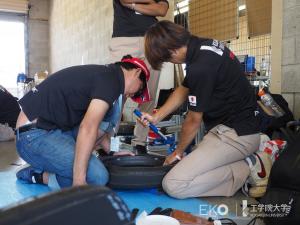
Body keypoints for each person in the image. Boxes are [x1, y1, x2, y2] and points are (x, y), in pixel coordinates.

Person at [141, 21, 272, 198]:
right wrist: (157, 116)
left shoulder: (200, 67)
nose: (171, 63)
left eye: (167, 60)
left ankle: (250, 166)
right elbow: (184, 88)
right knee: (192, 171)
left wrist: (177, 152)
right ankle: (247, 162)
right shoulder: (205, 46)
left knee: (173, 184)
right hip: (224, 131)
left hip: (238, 136)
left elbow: (193, 120)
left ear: (172, 51)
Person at [15, 56, 150, 189]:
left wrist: (113, 151)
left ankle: (53, 164)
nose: (135, 96)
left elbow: (100, 125)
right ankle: (39, 175)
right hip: (33, 136)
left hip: (54, 129)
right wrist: (79, 181)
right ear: (137, 72)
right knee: (97, 177)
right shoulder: (111, 81)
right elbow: (88, 128)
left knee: (112, 111)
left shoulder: (107, 76)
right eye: (140, 89)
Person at [110, 0, 169, 148]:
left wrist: (133, 5)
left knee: (148, 95)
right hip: (123, 40)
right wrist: (150, 5)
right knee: (115, 94)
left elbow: (162, 9)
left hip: (152, 40)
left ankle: (140, 143)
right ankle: (106, 141)